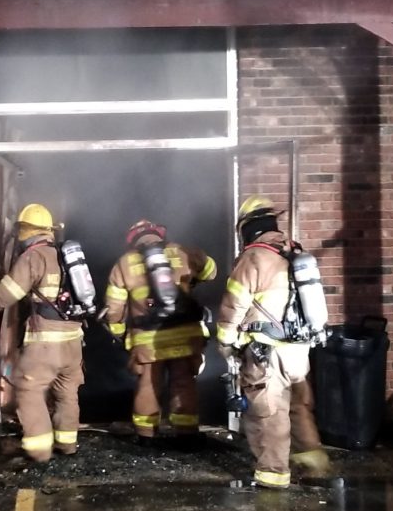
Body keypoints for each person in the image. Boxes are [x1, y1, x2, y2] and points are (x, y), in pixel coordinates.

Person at [0, 203, 85, 463]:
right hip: (74, 341)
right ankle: (67, 445)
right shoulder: (64, 256)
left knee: (29, 389)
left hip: (46, 343)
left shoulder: (34, 257)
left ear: (26, 230)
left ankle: (39, 451)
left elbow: (7, 294)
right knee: (66, 393)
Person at [216, 195, 330, 489]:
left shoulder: (254, 258)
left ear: (247, 227)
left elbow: (233, 305)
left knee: (267, 412)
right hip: (298, 350)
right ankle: (313, 461)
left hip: (267, 352)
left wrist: (226, 340)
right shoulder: (292, 251)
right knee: (298, 405)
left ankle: (272, 475)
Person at [104, 220, 217, 447]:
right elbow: (211, 272)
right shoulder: (184, 251)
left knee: (148, 385)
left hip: (147, 339)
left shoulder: (124, 263)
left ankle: (146, 435)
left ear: (133, 240)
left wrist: (119, 333)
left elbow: (113, 308)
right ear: (159, 235)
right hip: (185, 334)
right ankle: (187, 435)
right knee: (184, 382)